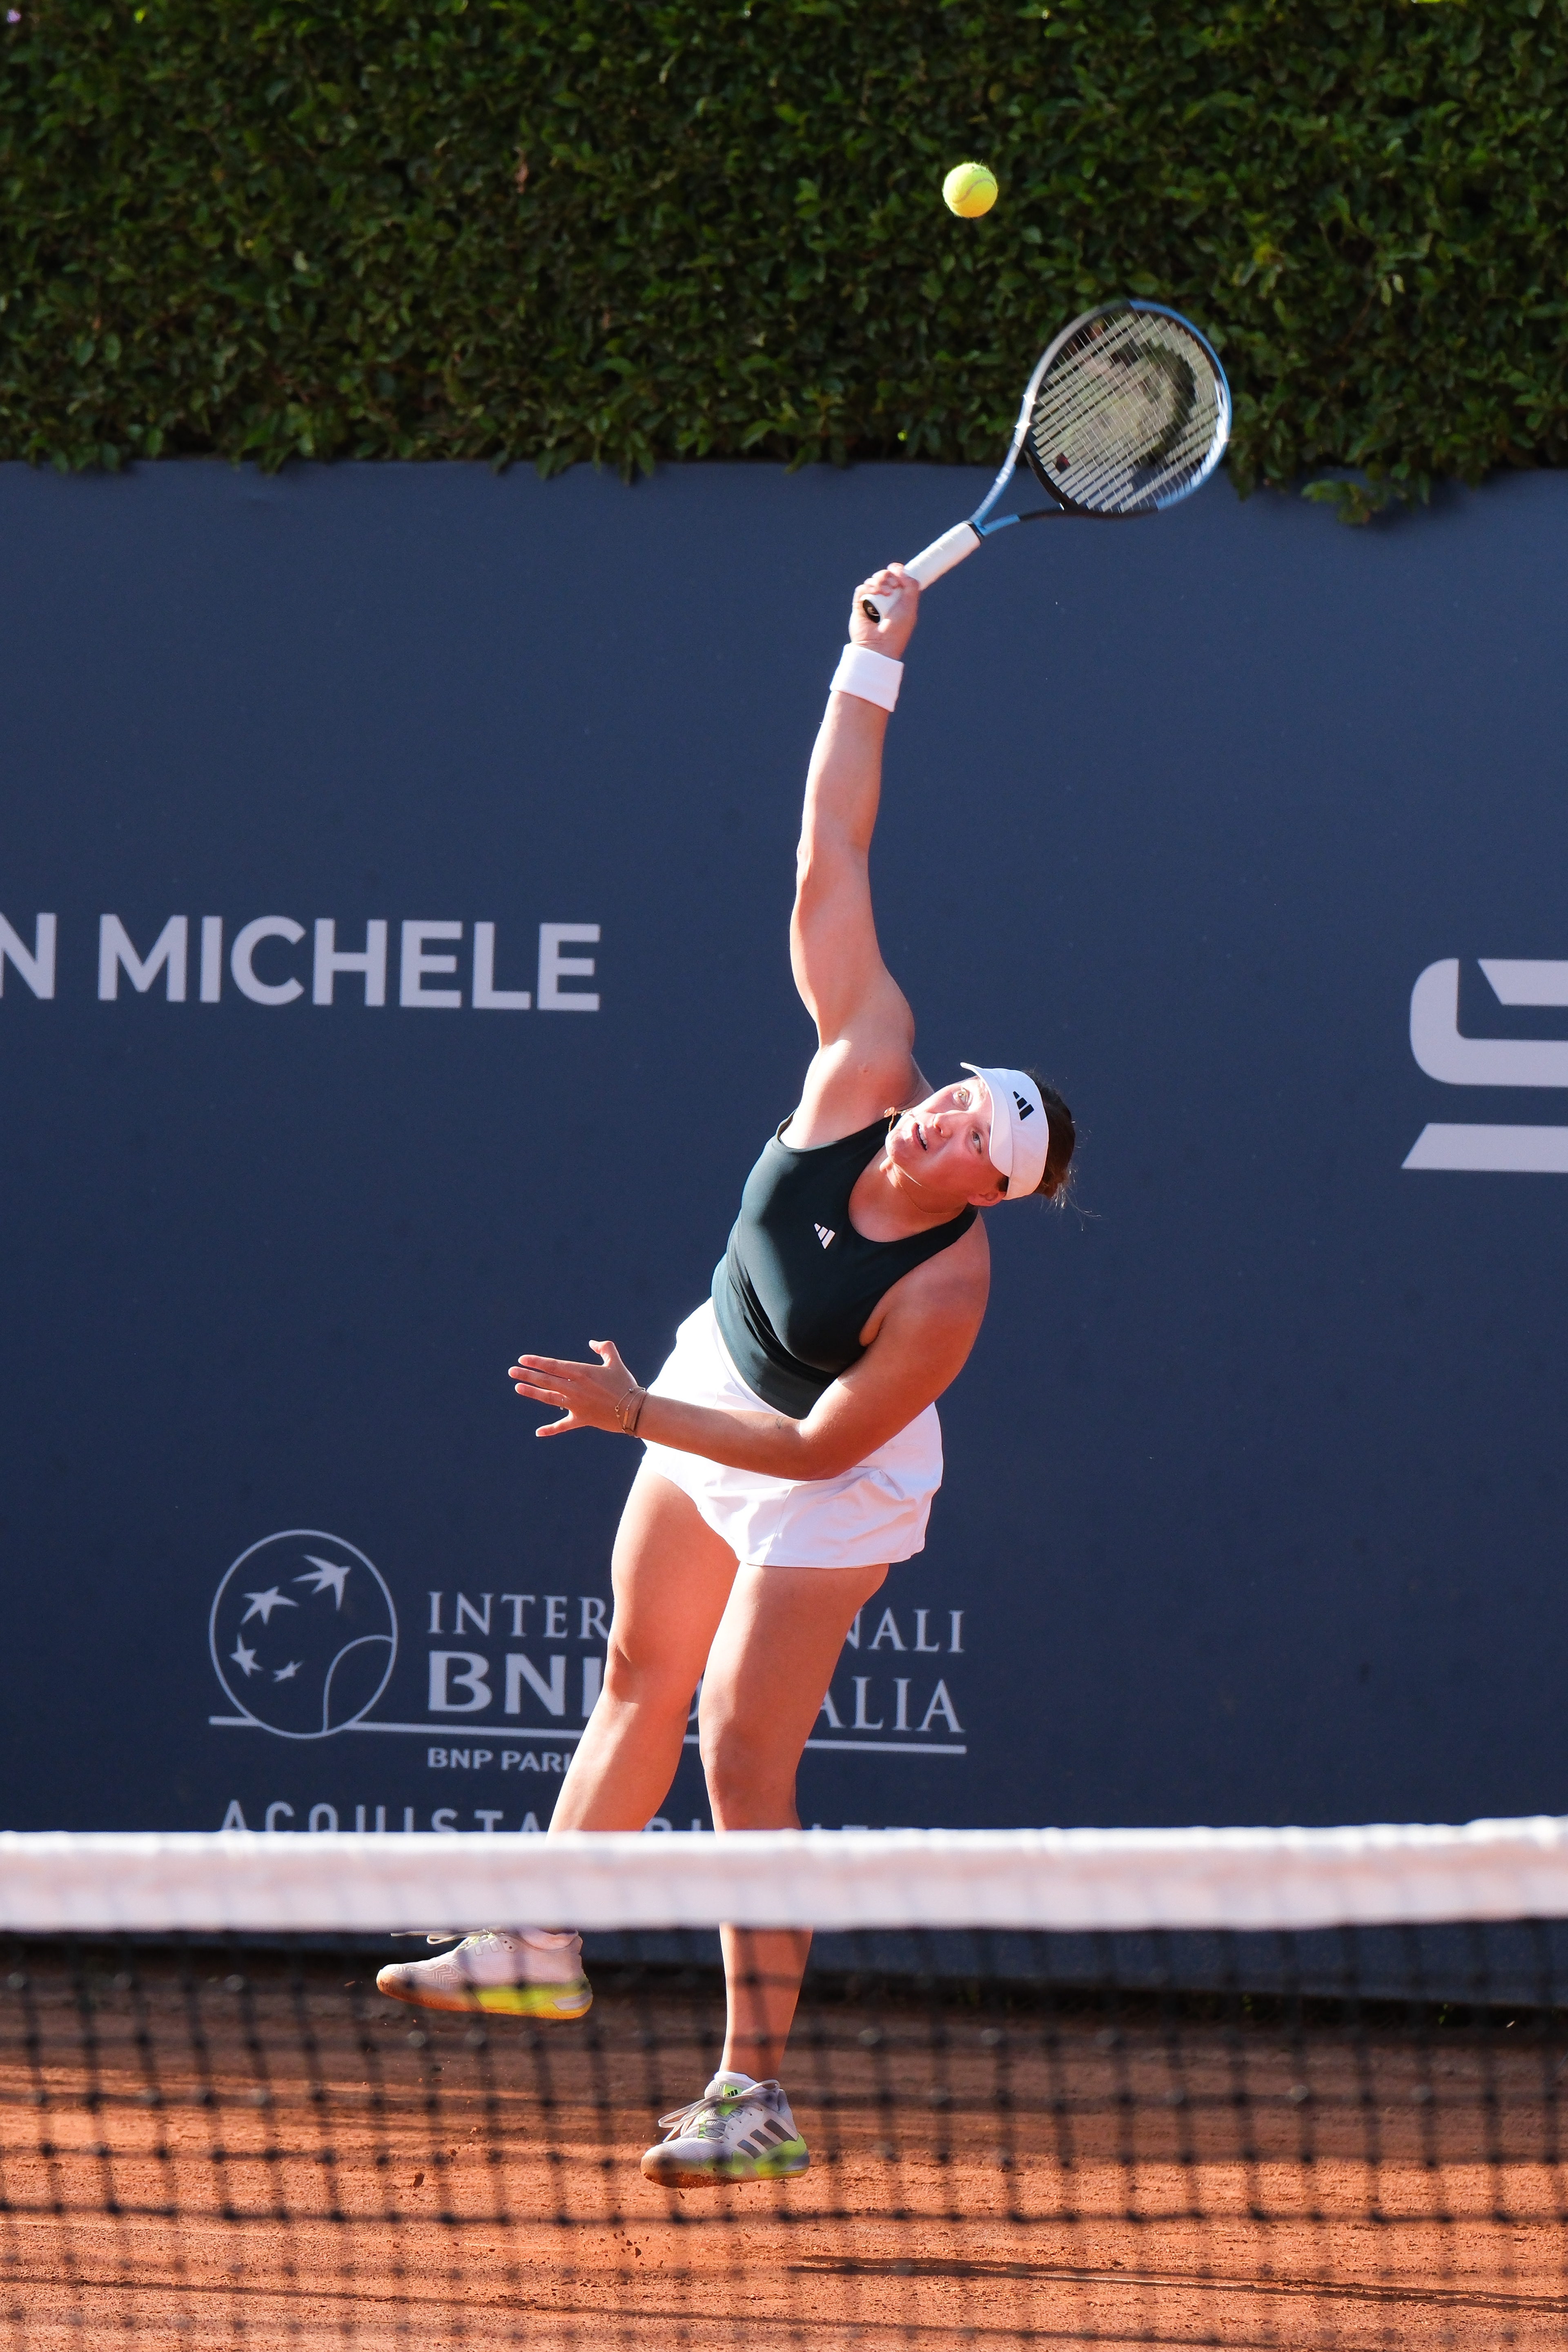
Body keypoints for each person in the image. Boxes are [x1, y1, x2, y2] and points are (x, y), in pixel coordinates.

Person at [377, 561, 1076, 2185]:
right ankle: (541, 1941)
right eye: (965, 1096)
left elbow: (819, 1453)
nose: (947, 1115)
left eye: (981, 1133)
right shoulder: (863, 1062)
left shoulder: (948, 1290)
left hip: (827, 1475)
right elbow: (832, 848)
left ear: (992, 1192)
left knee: (741, 1761)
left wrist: (632, 1414)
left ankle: (754, 2092)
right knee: (635, 1671)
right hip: (712, 1374)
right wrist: (870, 662)